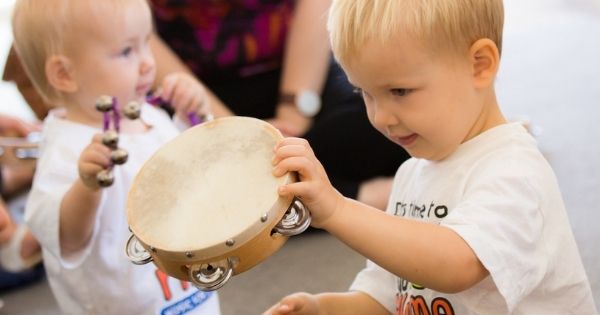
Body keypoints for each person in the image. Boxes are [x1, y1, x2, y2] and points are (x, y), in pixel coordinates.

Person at [264, 0, 597, 314]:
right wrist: (324, 308)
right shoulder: (411, 174)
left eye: (399, 91)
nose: (379, 117)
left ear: (479, 64)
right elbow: (388, 299)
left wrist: (337, 209)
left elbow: (456, 264)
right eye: (364, 92)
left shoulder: (514, 171)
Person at [12, 0, 220, 314]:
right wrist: (87, 187)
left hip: (189, 293)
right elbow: (66, 239)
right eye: (126, 51)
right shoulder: (65, 150)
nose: (148, 63)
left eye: (146, 43)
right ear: (64, 74)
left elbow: (200, 167)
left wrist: (195, 111)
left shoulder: (150, 115)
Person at [148, 0, 411, 210]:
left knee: (388, 113)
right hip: (196, 95)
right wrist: (238, 138)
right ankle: (348, 199)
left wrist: (293, 114)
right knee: (170, 169)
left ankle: (301, 200)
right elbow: (136, 37)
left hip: (300, 77)